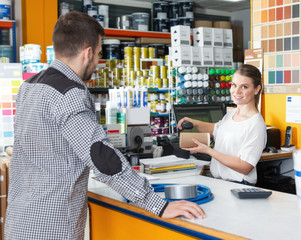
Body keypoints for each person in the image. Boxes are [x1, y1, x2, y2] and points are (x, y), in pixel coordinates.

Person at [5, 12, 205, 240]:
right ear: (88, 52)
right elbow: (101, 157)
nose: (99, 61)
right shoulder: (69, 93)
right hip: (52, 227)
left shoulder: (29, 86)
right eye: (99, 53)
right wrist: (157, 204)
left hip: (20, 221)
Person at [178, 64, 267, 186]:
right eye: (234, 85)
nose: (237, 91)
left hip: (239, 185)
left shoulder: (256, 124)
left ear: (257, 89)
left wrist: (208, 151)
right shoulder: (232, 114)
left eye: (244, 87)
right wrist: (194, 123)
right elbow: (217, 130)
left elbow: (245, 166)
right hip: (221, 182)